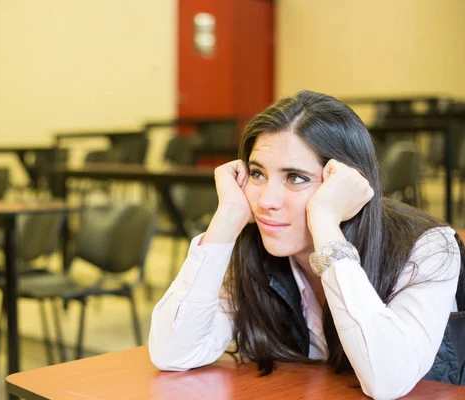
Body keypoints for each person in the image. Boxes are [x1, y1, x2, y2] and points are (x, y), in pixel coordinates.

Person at [148, 90, 465, 399]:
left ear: (344, 184)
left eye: (295, 178)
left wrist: (326, 224)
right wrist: (228, 217)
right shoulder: (255, 247)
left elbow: (387, 381)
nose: (267, 201)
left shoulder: (428, 247)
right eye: (257, 174)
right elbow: (174, 352)